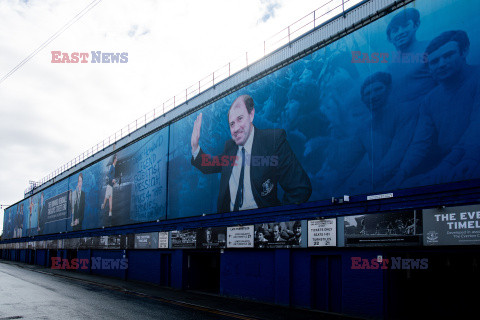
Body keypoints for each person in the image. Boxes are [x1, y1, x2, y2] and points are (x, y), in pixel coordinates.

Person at [191, 94, 311, 213]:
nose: (236, 128)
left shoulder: (273, 141)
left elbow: (300, 188)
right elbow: (209, 165)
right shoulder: (230, 148)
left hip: (262, 226)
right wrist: (195, 146)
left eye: (240, 118)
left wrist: (278, 219)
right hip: (229, 225)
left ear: (251, 115)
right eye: (232, 124)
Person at [389, 30, 480, 186]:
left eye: (448, 55)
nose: (442, 64)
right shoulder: (429, 100)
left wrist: (468, 158)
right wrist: (401, 173)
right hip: (449, 163)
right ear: (429, 68)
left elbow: (476, 125)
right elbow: (420, 143)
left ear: (464, 51)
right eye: (435, 61)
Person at [386, 8, 436, 107]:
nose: (400, 32)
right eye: (395, 30)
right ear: (390, 38)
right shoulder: (390, 68)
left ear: (416, 25)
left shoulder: (431, 48)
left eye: (405, 26)